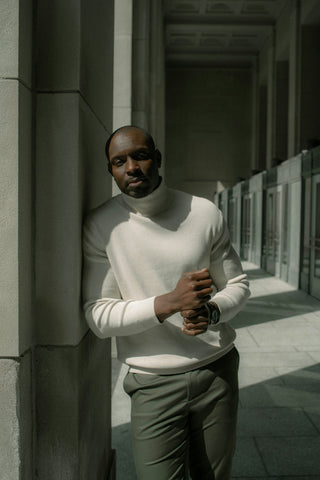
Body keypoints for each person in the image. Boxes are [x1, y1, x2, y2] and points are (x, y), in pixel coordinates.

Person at [82, 126, 250, 480]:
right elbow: (98, 316)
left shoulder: (203, 213)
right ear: (110, 170)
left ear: (157, 159)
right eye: (119, 161)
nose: (132, 167)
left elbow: (236, 284)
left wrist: (212, 311)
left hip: (216, 371)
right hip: (152, 383)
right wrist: (168, 302)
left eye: (140, 156)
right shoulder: (101, 226)